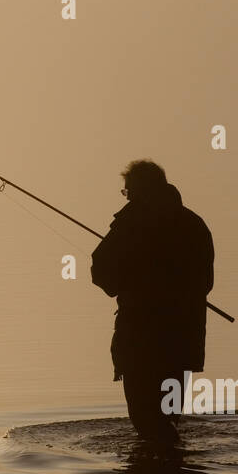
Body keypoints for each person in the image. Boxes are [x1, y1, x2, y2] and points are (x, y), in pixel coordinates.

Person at [91, 160, 214, 449]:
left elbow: (100, 269)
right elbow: (205, 284)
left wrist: (126, 282)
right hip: (182, 339)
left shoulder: (131, 223)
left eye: (129, 192)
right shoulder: (193, 223)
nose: (128, 198)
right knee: (167, 416)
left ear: (141, 192)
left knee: (145, 418)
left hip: (139, 339)